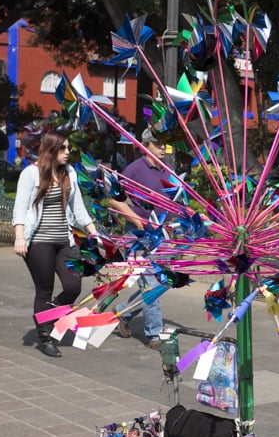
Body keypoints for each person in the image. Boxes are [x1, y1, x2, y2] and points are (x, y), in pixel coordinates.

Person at [12, 131, 97, 357]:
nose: (68, 153)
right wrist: (20, 236)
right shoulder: (31, 173)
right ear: (51, 149)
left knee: (73, 286)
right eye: (63, 148)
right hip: (39, 241)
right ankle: (45, 335)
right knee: (45, 290)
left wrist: (94, 233)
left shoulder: (69, 173)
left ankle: (46, 316)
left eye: (69, 149)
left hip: (64, 240)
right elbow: (20, 207)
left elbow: (78, 208)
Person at [110, 128, 171, 348]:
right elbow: (115, 199)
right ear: (146, 146)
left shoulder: (167, 169)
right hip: (138, 235)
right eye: (157, 143)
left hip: (163, 235)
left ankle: (123, 313)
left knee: (164, 281)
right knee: (151, 282)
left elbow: (174, 199)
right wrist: (136, 220)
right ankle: (154, 333)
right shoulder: (134, 170)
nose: (163, 147)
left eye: (164, 143)